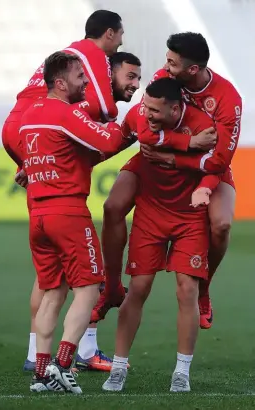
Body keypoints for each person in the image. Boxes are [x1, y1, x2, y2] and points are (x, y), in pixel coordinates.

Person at [2, 10, 131, 372]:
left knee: (52, 290)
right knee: (88, 288)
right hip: (67, 211)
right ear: (61, 83)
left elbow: (59, 155)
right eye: (80, 78)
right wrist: (138, 120)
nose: (87, 84)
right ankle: (64, 360)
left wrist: (28, 168)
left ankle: (39, 366)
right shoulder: (68, 114)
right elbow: (110, 137)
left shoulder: (31, 117)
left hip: (38, 213)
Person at [96, 32, 242, 329]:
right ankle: (111, 288)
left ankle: (204, 289)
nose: (164, 67)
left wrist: (175, 159)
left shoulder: (227, 99)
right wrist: (186, 144)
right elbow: (145, 128)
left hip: (204, 169)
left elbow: (220, 160)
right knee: (112, 206)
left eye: (172, 63)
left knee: (222, 224)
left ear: (192, 70)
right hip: (155, 157)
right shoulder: (165, 79)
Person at [102, 78, 221, 393]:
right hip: (151, 211)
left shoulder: (204, 125)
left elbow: (216, 165)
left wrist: (197, 179)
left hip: (189, 216)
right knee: (138, 287)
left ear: (176, 108)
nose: (147, 114)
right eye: (146, 107)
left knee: (186, 291)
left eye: (155, 110)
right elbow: (133, 135)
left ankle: (182, 371)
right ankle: (118, 367)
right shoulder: (145, 115)